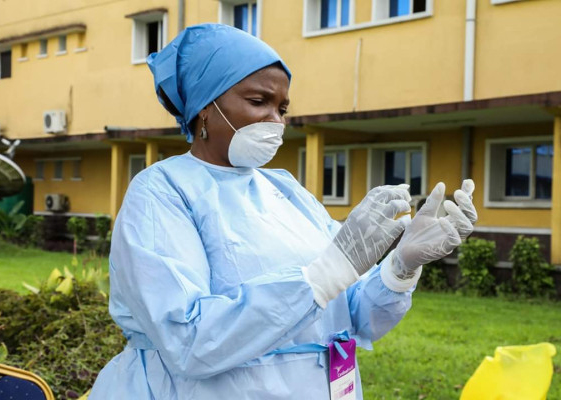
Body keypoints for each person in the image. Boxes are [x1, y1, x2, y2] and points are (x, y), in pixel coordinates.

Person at [89, 23, 477, 399]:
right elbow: (187, 340)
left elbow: (353, 317)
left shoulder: (286, 190)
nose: (276, 121)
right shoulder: (162, 191)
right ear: (205, 107)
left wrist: (399, 268)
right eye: (259, 102)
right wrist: (324, 274)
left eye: (283, 108)